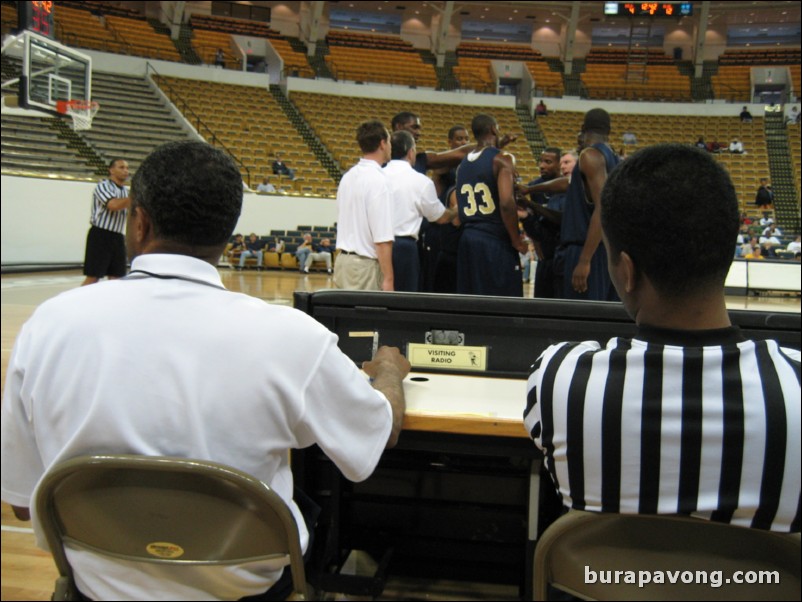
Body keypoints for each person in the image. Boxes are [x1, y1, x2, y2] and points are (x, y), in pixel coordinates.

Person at [0, 140, 412, 600]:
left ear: (139, 222)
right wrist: (390, 370)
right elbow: (378, 433)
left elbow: (21, 504)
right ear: (229, 232)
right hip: (246, 587)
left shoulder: (48, 326)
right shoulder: (293, 338)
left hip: (98, 586)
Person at [524, 143, 800, 532]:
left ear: (627, 271)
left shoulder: (558, 377)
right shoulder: (795, 386)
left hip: (604, 589)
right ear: (727, 253)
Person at [525, 108, 620, 301]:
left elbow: (603, 209)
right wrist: (529, 191)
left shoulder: (589, 156)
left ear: (583, 129)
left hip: (585, 249)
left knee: (579, 322)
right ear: (608, 131)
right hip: (604, 250)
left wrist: (584, 260)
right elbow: (567, 184)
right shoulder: (613, 159)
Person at [455, 114, 527, 297]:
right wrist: (516, 239)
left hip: (467, 239)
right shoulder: (503, 159)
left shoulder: (463, 163)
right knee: (502, 303)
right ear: (494, 129)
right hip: (493, 239)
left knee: (470, 301)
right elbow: (506, 203)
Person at [385, 130, 456, 292]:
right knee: (404, 299)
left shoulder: (377, 175)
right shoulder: (420, 181)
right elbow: (440, 218)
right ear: (411, 152)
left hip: (377, 244)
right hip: (404, 246)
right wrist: (456, 211)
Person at [333, 120, 395, 291]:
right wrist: (389, 278)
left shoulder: (348, 177)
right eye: (389, 141)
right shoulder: (379, 181)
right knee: (366, 317)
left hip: (342, 262)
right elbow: (382, 237)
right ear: (383, 144)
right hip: (364, 266)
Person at [518, 147, 565, 298]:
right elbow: (534, 222)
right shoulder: (533, 187)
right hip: (545, 255)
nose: (542, 165)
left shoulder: (569, 187)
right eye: (541, 161)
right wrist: (536, 242)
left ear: (560, 165)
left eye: (548, 162)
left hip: (563, 253)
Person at [81, 158, 131, 286]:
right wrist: (136, 196)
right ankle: (72, 303)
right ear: (111, 170)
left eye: (127, 168)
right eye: (121, 167)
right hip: (100, 235)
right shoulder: (102, 186)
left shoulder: (126, 192)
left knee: (117, 278)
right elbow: (113, 205)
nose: (126, 171)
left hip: (118, 236)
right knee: (93, 277)